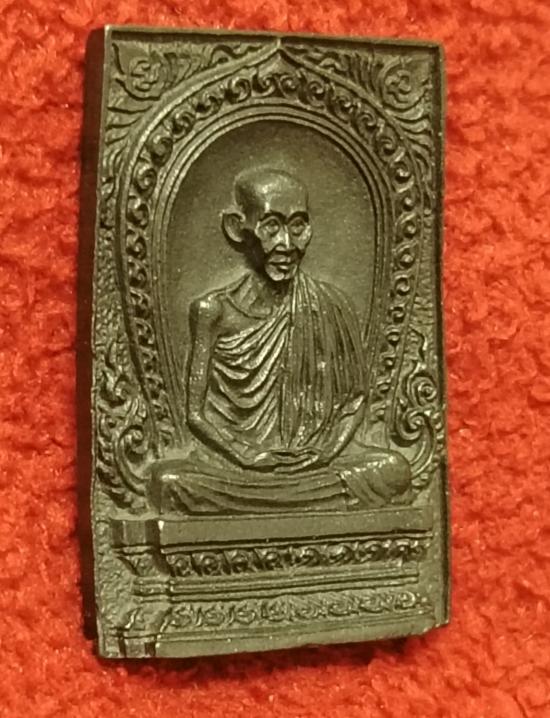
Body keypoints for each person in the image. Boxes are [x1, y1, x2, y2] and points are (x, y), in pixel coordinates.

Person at [150, 168, 411, 514]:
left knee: (394, 470)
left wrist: (326, 452)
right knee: (169, 482)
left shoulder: (331, 305)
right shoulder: (212, 310)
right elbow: (195, 415)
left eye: (298, 226)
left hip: (315, 462)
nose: (287, 245)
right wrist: (246, 455)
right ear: (237, 228)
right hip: (237, 464)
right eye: (271, 226)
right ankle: (285, 503)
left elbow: (354, 401)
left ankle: (268, 505)